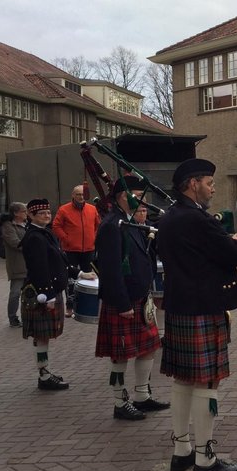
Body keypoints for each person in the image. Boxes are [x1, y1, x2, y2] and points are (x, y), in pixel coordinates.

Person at [157, 158, 237, 471]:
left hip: (179, 308)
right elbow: (233, 255)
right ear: (192, 184)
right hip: (204, 308)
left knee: (182, 381)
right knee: (207, 382)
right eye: (208, 182)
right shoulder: (197, 219)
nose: (212, 187)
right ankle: (206, 460)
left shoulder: (168, 219)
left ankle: (181, 452)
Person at [95, 177, 169, 421]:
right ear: (122, 196)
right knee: (120, 355)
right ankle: (120, 401)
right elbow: (110, 269)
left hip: (140, 297)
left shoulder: (132, 223)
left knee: (148, 349)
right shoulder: (111, 225)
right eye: (137, 194)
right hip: (124, 301)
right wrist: (122, 303)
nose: (142, 199)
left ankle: (142, 396)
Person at [21, 198, 94, 391]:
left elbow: (58, 260)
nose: (47, 215)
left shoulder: (46, 233)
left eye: (48, 212)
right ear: (31, 215)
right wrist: (48, 295)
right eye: (41, 213)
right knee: (42, 336)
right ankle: (44, 376)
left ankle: (44, 372)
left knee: (43, 336)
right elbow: (39, 269)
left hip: (48, 291)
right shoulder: (34, 237)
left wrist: (79, 273)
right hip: (42, 294)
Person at [52, 184, 100, 316]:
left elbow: (98, 225)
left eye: (83, 194)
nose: (81, 197)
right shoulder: (64, 210)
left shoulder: (92, 209)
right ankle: (70, 306)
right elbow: (56, 226)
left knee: (89, 277)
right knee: (71, 279)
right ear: (73, 195)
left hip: (89, 249)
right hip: (70, 249)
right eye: (78, 194)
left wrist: (94, 238)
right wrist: (66, 238)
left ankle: (87, 305)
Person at [2, 201, 28, 328]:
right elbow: (15, 243)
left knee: (28, 293)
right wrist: (33, 245)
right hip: (17, 265)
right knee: (15, 293)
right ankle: (13, 318)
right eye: (24, 211)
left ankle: (27, 317)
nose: (26, 213)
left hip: (29, 264)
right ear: (16, 213)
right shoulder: (8, 226)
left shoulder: (27, 225)